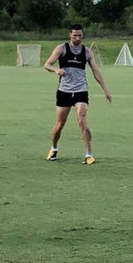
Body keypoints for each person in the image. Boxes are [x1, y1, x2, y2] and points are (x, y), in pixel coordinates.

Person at [42, 24, 113, 164]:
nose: (77, 37)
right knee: (60, 124)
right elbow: (47, 64)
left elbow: (95, 71)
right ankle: (54, 148)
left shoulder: (87, 52)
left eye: (80, 35)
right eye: (75, 35)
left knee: (82, 119)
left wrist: (105, 89)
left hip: (81, 90)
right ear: (70, 35)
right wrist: (56, 70)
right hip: (64, 91)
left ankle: (89, 154)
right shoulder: (61, 48)